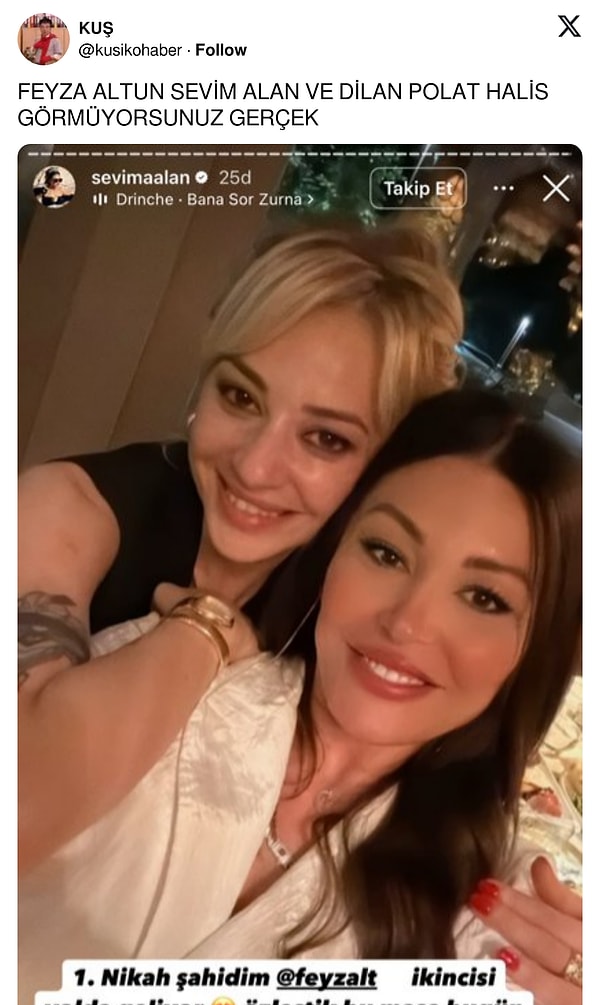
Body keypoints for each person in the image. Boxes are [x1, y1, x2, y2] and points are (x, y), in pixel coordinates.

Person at [19, 389, 582, 1005]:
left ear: (536, 650)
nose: (407, 623)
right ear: (334, 549)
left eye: (484, 598)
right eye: (386, 552)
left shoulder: (496, 900)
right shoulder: (169, 676)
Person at [18, 223, 464, 871]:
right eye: (240, 396)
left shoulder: (353, 600)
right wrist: (205, 631)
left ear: (384, 467)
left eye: (326, 439)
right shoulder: (65, 509)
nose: (255, 467)